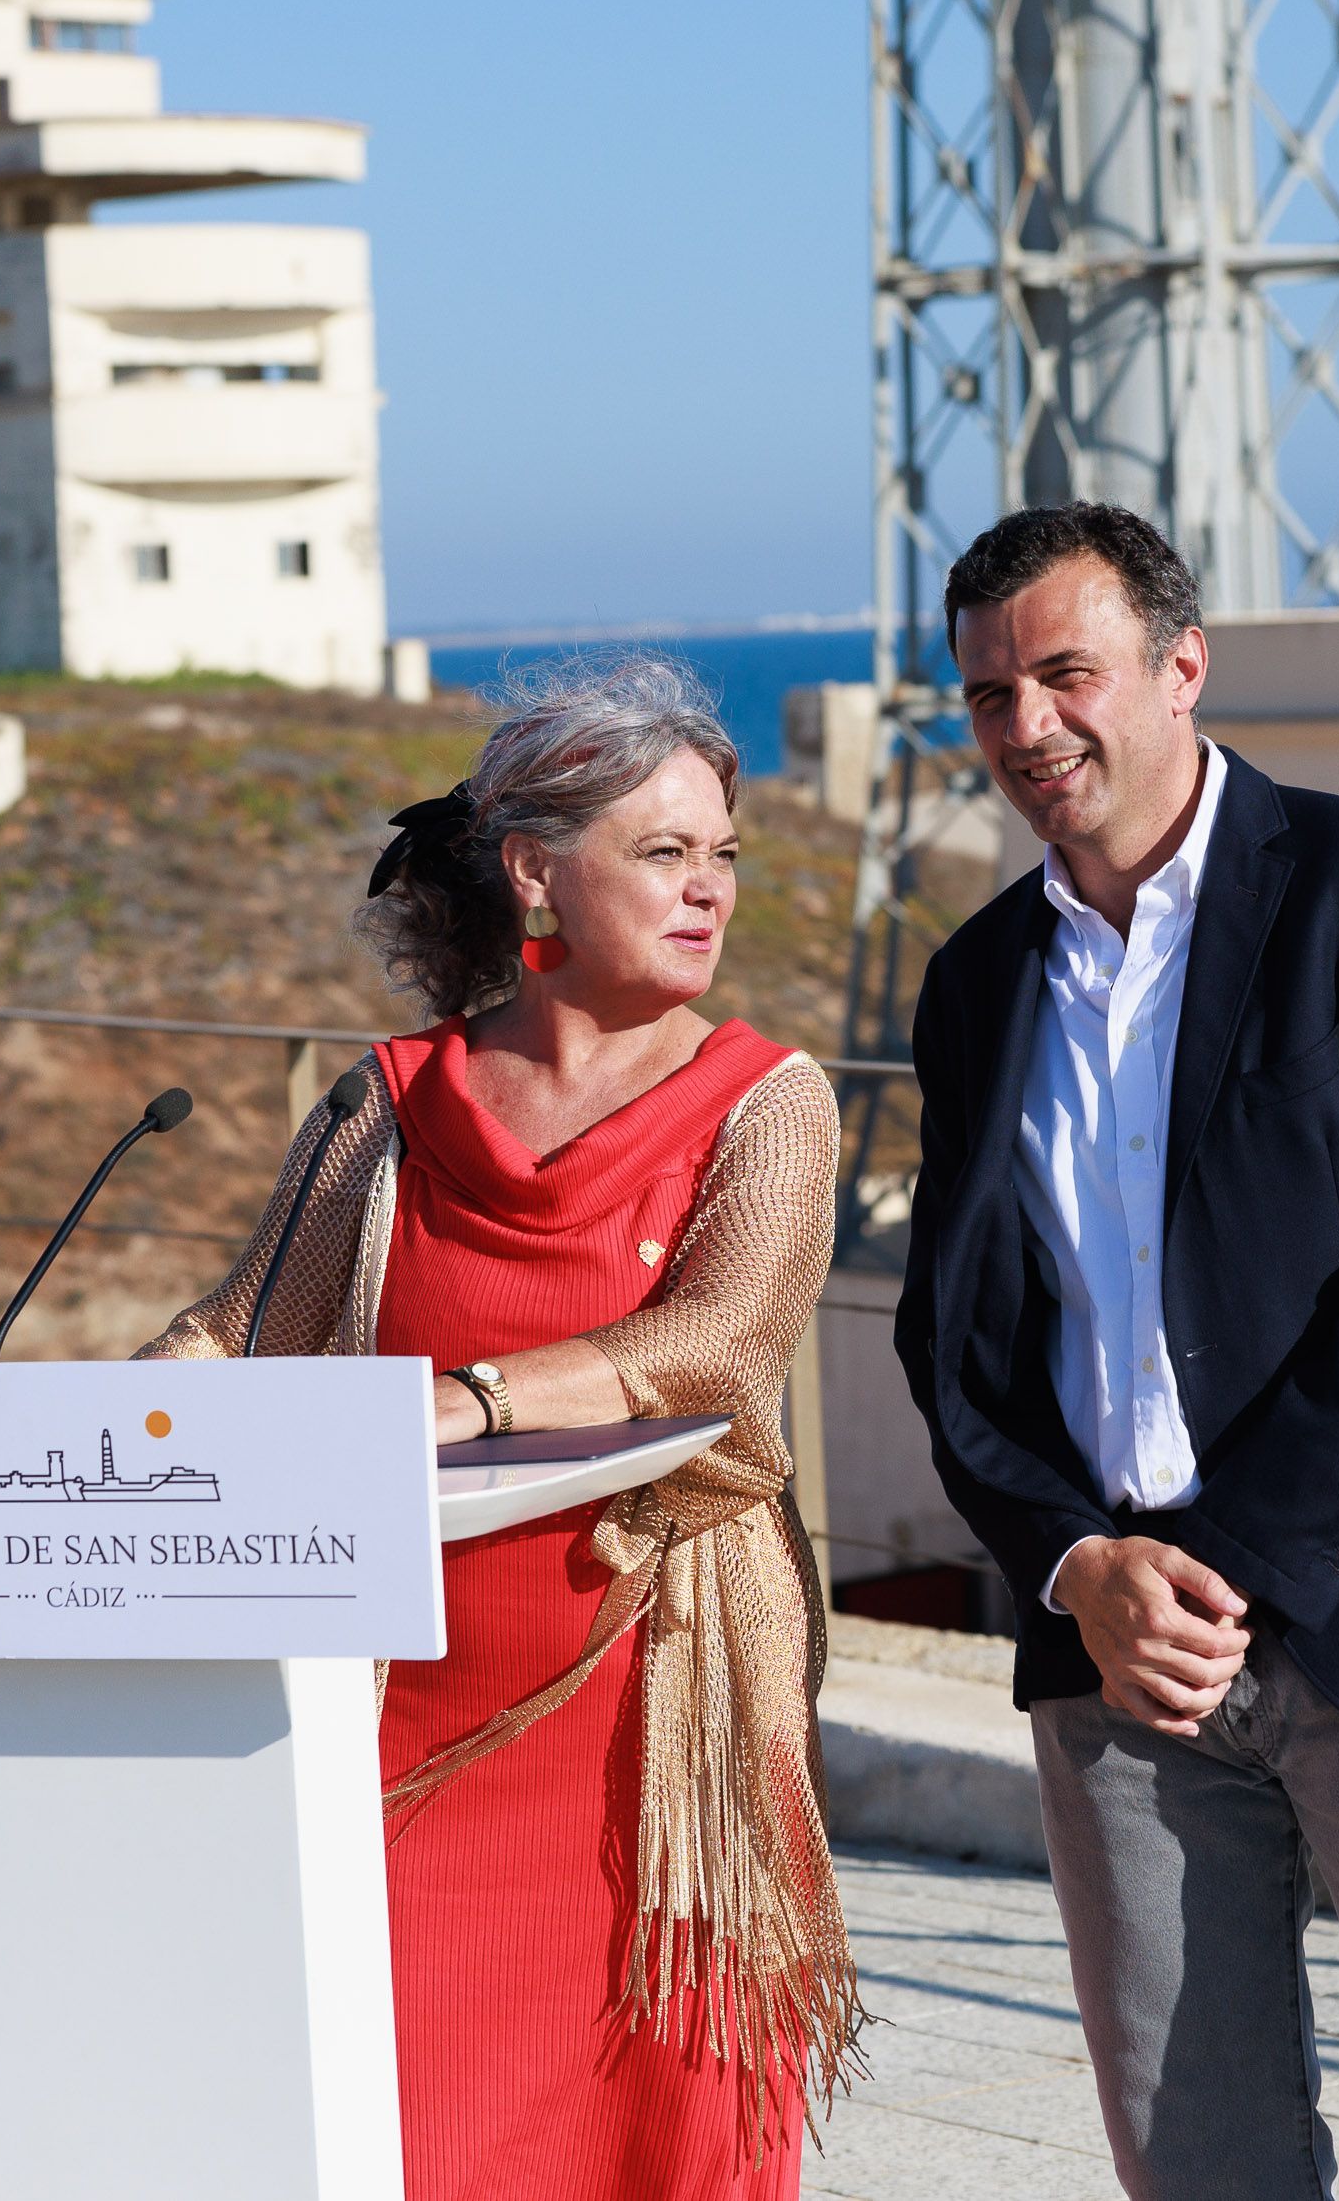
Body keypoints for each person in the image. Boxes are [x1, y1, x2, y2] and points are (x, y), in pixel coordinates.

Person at [889, 504, 1339, 2201]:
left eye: (1066, 674)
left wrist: (1215, 1562)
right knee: (1198, 2157)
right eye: (991, 694)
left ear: (1182, 665)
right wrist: (1083, 1569)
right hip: (1120, 1660)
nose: (1027, 727)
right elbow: (959, 1343)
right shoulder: (978, 981)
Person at [138, 654, 858, 2201]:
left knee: (648, 2134)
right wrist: (99, 1431)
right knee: (417, 2123)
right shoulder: (390, 1103)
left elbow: (718, 1351)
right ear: (536, 869)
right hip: (398, 1715)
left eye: (722, 855)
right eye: (663, 853)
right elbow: (244, 1329)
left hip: (650, 1719)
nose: (709, 891)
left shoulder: (766, 1100)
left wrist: (468, 1404)